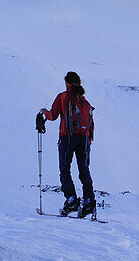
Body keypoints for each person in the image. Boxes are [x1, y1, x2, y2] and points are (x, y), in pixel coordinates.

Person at [37, 71, 96, 218]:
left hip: (67, 137)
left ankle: (71, 200)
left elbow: (53, 115)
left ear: (67, 83)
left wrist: (44, 112)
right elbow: (91, 125)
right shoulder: (86, 102)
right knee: (84, 170)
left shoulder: (63, 97)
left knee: (65, 169)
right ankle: (88, 202)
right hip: (84, 139)